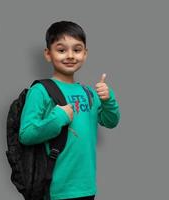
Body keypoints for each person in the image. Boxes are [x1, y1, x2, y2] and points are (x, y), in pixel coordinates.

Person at [19, 21, 120, 200]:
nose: (70, 55)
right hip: (55, 189)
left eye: (77, 49)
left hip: (86, 187)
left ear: (85, 54)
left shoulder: (89, 92)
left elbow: (111, 121)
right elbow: (26, 134)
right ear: (48, 54)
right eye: (61, 50)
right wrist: (58, 118)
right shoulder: (40, 91)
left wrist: (108, 99)